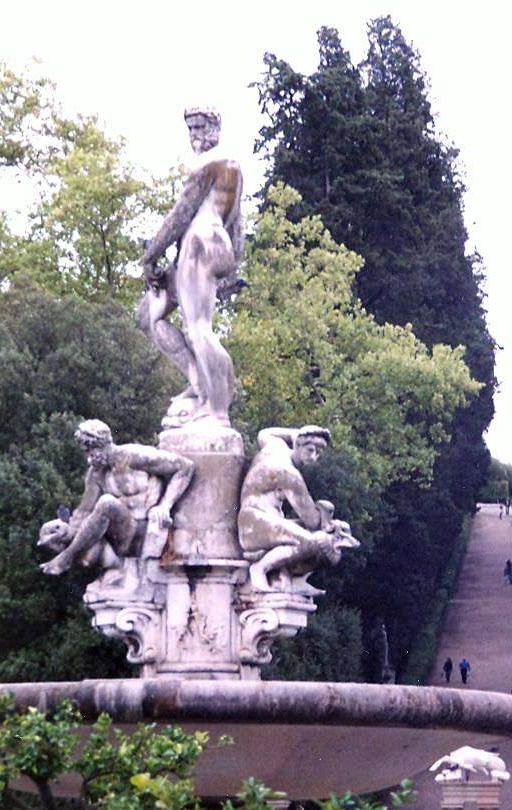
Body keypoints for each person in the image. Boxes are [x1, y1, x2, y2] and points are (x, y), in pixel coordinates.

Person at [137, 106, 244, 425]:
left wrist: (149, 256)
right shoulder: (232, 168)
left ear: (215, 128)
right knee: (148, 317)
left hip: (200, 244)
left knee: (198, 329)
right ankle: (199, 381)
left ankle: (218, 409)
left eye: (200, 127)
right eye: (191, 129)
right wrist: (233, 265)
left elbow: (179, 216)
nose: (195, 135)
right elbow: (238, 225)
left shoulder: (209, 165)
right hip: (205, 248)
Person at [39, 420, 194, 577]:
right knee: (103, 507)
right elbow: (83, 513)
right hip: (123, 540)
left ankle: (66, 559)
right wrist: (63, 532)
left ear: (100, 445)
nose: (88, 458)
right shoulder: (96, 474)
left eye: (88, 451)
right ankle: (68, 556)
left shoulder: (133, 456)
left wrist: (165, 506)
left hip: (148, 531)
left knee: (107, 503)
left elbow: (185, 467)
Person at [238, 426, 357, 589]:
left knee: (316, 538)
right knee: (319, 543)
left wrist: (295, 433)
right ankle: (260, 569)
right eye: (310, 450)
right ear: (298, 445)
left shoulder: (276, 447)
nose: (313, 457)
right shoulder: (289, 474)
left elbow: (264, 434)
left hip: (260, 520)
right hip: (253, 525)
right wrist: (328, 515)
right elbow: (313, 521)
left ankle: (288, 577)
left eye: (318, 453)